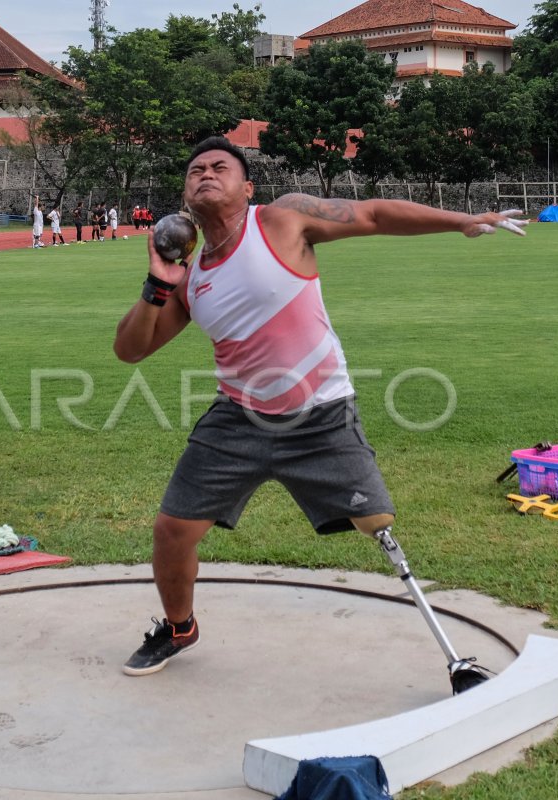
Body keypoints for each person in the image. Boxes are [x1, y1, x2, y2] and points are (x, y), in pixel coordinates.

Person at [111, 136, 528, 676]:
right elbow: (131, 350)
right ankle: (178, 627)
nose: (206, 174)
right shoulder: (193, 279)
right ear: (185, 194)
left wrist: (461, 221)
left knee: (376, 520)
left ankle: (455, 664)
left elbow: (374, 214)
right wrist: (158, 285)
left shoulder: (283, 220)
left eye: (220, 167)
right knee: (172, 530)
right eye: (195, 171)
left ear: (247, 187)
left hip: (322, 413)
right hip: (237, 419)